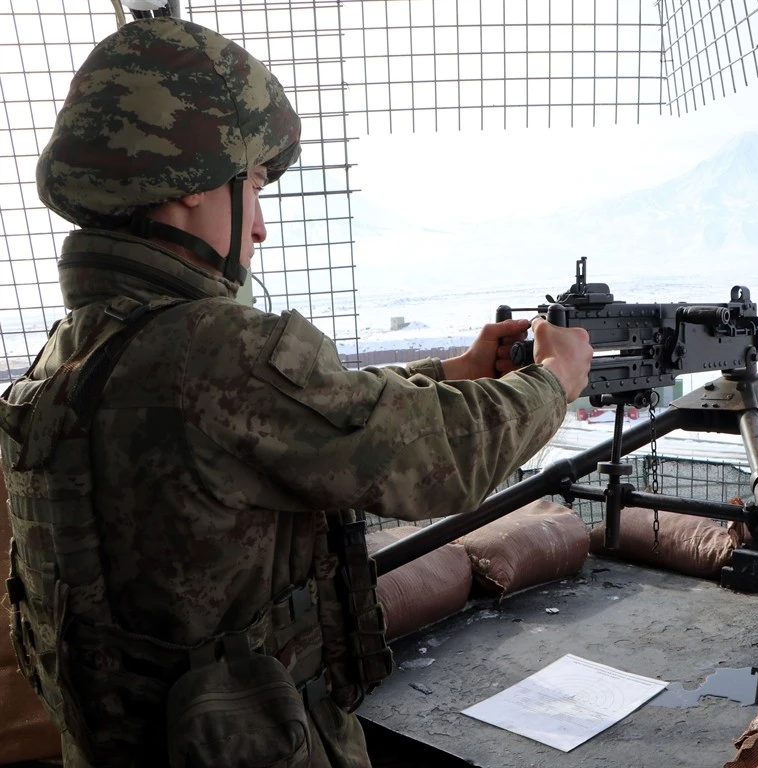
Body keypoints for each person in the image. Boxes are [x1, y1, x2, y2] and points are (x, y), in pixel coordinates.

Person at [0, 16, 592, 768]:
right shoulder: (212, 347)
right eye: (250, 185)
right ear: (190, 183)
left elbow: (300, 417)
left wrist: (453, 372)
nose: (259, 227)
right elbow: (435, 459)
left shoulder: (75, 350)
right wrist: (555, 380)